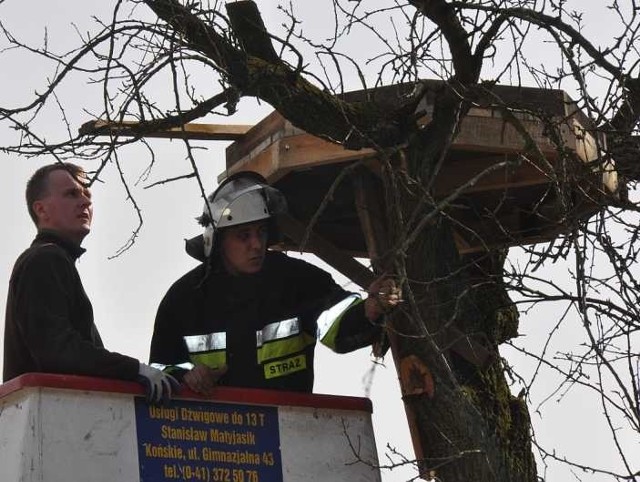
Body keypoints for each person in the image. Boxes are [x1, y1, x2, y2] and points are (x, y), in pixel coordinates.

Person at [149, 171, 401, 394]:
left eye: (261, 232)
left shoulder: (298, 281)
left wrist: (369, 310)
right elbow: (158, 370)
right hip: (214, 439)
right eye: (243, 236)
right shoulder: (185, 299)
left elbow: (335, 322)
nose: (256, 244)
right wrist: (186, 375)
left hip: (290, 433)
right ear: (217, 242)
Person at [3, 162, 178, 403]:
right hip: (52, 422)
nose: (85, 202)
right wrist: (134, 370)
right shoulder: (45, 259)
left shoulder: (51, 259)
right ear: (41, 210)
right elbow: (57, 351)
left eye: (87, 195)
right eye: (71, 194)